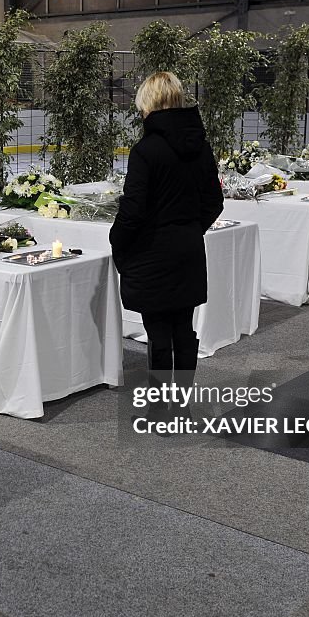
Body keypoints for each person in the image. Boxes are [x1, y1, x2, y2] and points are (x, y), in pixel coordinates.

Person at [109, 71, 224, 416]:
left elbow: (133, 209)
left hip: (152, 253)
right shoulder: (200, 145)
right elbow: (214, 201)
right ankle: (183, 405)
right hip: (187, 250)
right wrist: (190, 229)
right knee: (183, 329)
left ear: (150, 102)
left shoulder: (146, 150)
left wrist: (118, 242)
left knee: (158, 331)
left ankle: (160, 409)